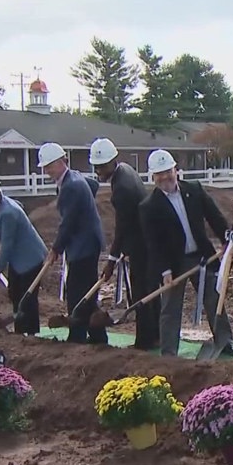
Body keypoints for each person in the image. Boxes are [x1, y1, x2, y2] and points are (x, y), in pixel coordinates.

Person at [139, 149, 233, 359]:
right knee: (170, 308)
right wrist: (165, 271)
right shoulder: (149, 207)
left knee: (214, 298)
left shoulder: (193, 190)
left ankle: (225, 342)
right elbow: (153, 243)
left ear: (176, 170)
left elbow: (215, 217)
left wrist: (228, 241)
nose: (165, 177)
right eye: (159, 174)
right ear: (153, 177)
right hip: (173, 264)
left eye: (168, 171)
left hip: (202, 257)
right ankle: (169, 352)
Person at [89, 137, 159, 351]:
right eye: (96, 166)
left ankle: (145, 341)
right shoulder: (125, 170)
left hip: (143, 244)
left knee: (141, 294)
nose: (99, 171)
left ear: (113, 161)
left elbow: (122, 228)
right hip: (147, 239)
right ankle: (154, 336)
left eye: (102, 166)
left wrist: (111, 261)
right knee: (148, 291)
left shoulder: (121, 189)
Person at [37, 142, 107, 345]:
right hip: (88, 242)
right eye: (46, 166)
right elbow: (93, 185)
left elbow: (67, 223)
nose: (48, 170)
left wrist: (56, 249)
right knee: (84, 292)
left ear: (62, 162)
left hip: (84, 245)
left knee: (78, 292)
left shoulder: (71, 186)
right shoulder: (74, 178)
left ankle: (79, 336)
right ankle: (96, 336)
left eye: (51, 165)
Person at [0, 173, 47, 336]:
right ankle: (20, 329)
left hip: (31, 257)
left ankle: (30, 333)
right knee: (14, 292)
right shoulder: (0, 207)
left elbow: (7, 244)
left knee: (26, 296)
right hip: (18, 259)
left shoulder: (8, 212)